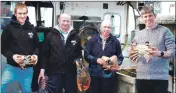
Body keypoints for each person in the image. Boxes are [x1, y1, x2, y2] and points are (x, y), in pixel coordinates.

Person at [129, 5, 175, 93]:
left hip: (160, 78)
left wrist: (158, 53)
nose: (148, 18)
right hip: (141, 77)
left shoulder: (165, 31)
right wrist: (132, 55)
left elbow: (172, 52)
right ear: (142, 18)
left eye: (150, 15)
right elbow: (132, 51)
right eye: (145, 16)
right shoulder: (138, 34)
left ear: (155, 16)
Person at [38, 13, 82, 93]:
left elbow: (78, 53)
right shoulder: (50, 36)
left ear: (71, 22)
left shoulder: (76, 36)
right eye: (63, 21)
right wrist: (42, 69)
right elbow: (44, 54)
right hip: (54, 72)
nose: (66, 23)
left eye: (68, 21)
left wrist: (79, 62)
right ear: (59, 21)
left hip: (70, 73)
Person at [1, 3, 39, 93]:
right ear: (15, 14)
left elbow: (37, 46)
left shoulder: (32, 28)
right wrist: (12, 56)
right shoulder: (8, 28)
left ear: (27, 13)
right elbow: (3, 48)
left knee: (27, 90)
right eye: (20, 13)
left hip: (28, 69)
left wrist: (36, 55)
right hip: (11, 68)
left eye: (24, 13)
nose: (22, 16)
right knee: (2, 89)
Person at [84, 20, 124, 93]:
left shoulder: (115, 41)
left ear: (111, 29)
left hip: (109, 76)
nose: (106, 29)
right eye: (105, 27)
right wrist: (97, 60)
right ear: (100, 28)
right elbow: (86, 55)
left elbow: (120, 57)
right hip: (94, 75)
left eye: (109, 27)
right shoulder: (92, 40)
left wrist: (113, 65)